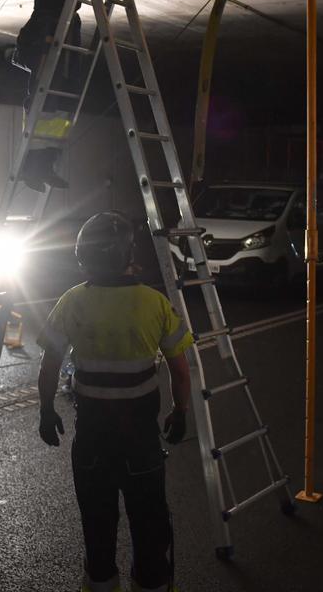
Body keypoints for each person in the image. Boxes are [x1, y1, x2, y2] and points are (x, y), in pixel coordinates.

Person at [38, 211, 193, 592]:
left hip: (92, 440)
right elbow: (180, 368)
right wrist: (181, 411)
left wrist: (46, 411)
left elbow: (50, 365)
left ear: (83, 258)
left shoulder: (72, 301)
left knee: (98, 528)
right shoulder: (154, 302)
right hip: (141, 441)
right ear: (129, 256)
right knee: (150, 527)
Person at [14, 0, 128, 192]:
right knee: (48, 93)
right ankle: (31, 165)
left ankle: (44, 162)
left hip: (63, 19)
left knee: (62, 94)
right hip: (51, 19)